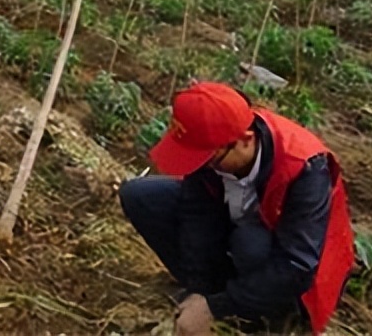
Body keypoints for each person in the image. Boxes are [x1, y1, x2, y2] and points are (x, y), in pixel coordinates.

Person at [119, 82, 355, 336]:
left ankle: (264, 319)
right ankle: (215, 295)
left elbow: (297, 264)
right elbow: (197, 217)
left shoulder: (304, 168)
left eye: (210, 161)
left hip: (293, 270)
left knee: (249, 243)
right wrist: (200, 290)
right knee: (141, 196)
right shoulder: (211, 148)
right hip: (236, 230)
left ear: (245, 141)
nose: (204, 168)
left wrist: (216, 307)